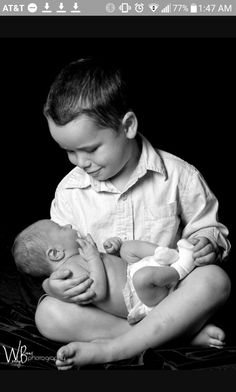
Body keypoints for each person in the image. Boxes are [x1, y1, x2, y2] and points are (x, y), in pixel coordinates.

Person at [35, 57, 231, 369]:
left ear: (127, 126)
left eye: (90, 149)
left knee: (215, 280)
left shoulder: (180, 176)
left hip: (171, 296)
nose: (79, 162)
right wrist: (53, 285)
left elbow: (209, 229)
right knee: (47, 313)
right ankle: (170, 335)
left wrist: (208, 242)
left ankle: (115, 347)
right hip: (110, 306)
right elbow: (58, 260)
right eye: (69, 152)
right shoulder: (69, 193)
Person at [13, 219, 196, 325]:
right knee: (143, 278)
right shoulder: (68, 271)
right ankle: (182, 267)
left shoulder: (79, 255)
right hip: (137, 297)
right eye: (62, 228)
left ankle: (167, 255)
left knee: (128, 247)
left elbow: (113, 269)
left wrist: (113, 251)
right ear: (55, 253)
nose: (69, 226)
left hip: (132, 272)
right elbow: (98, 293)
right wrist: (94, 258)